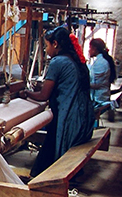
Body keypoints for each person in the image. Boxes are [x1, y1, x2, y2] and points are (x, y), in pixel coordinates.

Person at [21, 26, 94, 177]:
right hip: (84, 115)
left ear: (55, 44)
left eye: (46, 45)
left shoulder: (57, 62)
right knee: (50, 142)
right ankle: (41, 174)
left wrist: (25, 93)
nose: (46, 50)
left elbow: (43, 96)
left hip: (70, 117)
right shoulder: (74, 59)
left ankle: (52, 177)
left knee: (55, 145)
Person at [88, 38, 117, 109]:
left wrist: (82, 83)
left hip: (99, 99)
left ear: (94, 49)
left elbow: (96, 84)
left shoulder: (101, 63)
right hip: (100, 97)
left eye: (90, 48)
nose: (89, 50)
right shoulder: (100, 60)